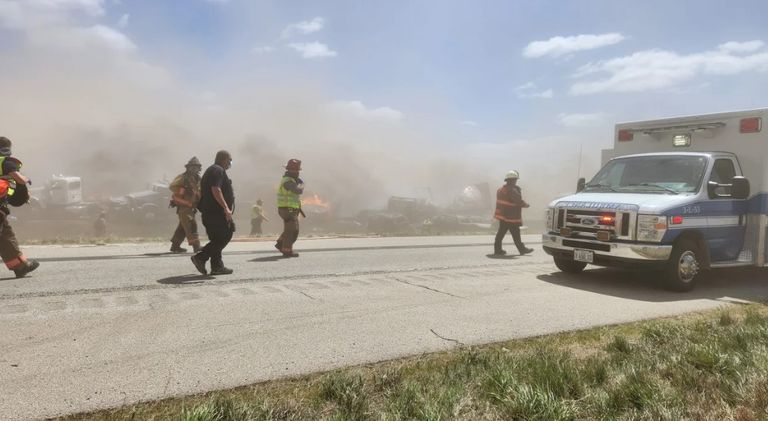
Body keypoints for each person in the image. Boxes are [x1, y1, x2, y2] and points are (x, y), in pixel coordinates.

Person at [191, 151, 235, 275]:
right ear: (224, 159)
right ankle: (200, 257)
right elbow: (216, 189)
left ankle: (217, 266)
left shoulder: (213, 170)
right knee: (225, 235)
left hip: (210, 213)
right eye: (230, 160)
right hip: (216, 213)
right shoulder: (217, 170)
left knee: (216, 239)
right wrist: (226, 208)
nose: (230, 163)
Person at [0, 136, 39, 277]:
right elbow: (19, 179)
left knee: (5, 236)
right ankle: (20, 266)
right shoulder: (7, 163)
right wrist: (27, 179)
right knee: (6, 236)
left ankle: (20, 266)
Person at [493, 170, 534, 256]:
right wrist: (526, 205)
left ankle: (497, 250)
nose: (516, 181)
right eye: (515, 180)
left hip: (503, 216)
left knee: (501, 233)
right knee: (516, 233)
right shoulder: (512, 190)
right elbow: (518, 201)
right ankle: (522, 249)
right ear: (512, 180)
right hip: (511, 217)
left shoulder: (500, 190)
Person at [169, 157, 202, 253]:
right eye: (192, 167)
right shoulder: (183, 177)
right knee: (192, 225)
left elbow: (199, 191)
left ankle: (175, 246)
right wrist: (183, 190)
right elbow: (172, 186)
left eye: (196, 167)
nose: (194, 169)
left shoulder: (198, 179)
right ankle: (196, 246)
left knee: (183, 227)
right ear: (188, 168)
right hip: (184, 207)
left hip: (192, 207)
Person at [275, 159, 303, 257]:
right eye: (296, 170)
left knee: (291, 229)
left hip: (290, 208)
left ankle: (280, 243)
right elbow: (297, 191)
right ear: (291, 170)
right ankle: (287, 250)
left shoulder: (290, 180)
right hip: (288, 209)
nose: (298, 172)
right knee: (292, 230)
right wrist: (301, 185)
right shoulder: (288, 181)